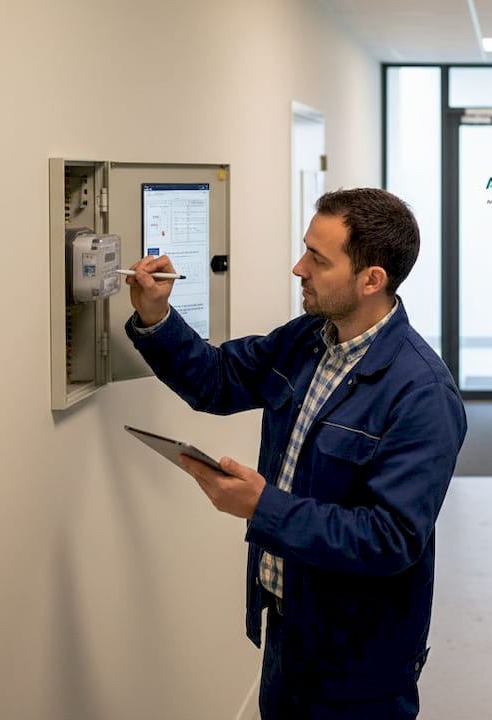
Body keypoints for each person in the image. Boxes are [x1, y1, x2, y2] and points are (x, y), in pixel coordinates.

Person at [124, 187, 467, 719]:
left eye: (318, 259)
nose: (298, 267)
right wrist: (156, 316)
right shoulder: (308, 340)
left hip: (360, 663)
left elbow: (391, 538)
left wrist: (264, 507)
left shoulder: (422, 394)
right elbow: (219, 379)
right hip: (286, 628)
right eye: (305, 248)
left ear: (371, 279)